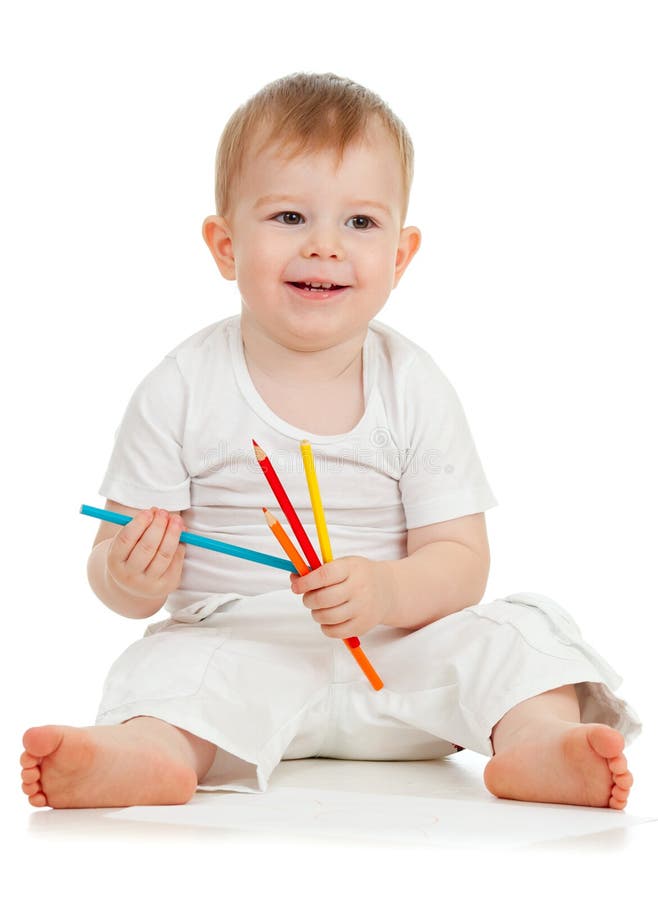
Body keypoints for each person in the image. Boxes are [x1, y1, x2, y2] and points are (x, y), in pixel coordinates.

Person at [21, 72, 640, 811]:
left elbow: (463, 563)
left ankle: (539, 744)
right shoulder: (180, 386)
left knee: (523, 628)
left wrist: (384, 590)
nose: (324, 247)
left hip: (404, 664)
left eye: (360, 224)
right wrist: (131, 576)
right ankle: (150, 757)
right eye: (288, 216)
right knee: (163, 666)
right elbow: (112, 563)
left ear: (402, 257)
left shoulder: (413, 383)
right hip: (241, 663)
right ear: (225, 244)